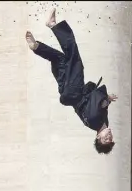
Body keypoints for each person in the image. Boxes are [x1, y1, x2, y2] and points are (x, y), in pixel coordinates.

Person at [25, 8, 117, 154]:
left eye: (106, 139)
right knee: (60, 60)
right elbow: (96, 104)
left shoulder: (95, 121)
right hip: (67, 93)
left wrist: (106, 97)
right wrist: (106, 101)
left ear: (98, 136)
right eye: (111, 140)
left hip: (74, 91)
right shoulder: (101, 122)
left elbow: (95, 100)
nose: (109, 137)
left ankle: (53, 25)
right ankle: (36, 47)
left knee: (73, 55)